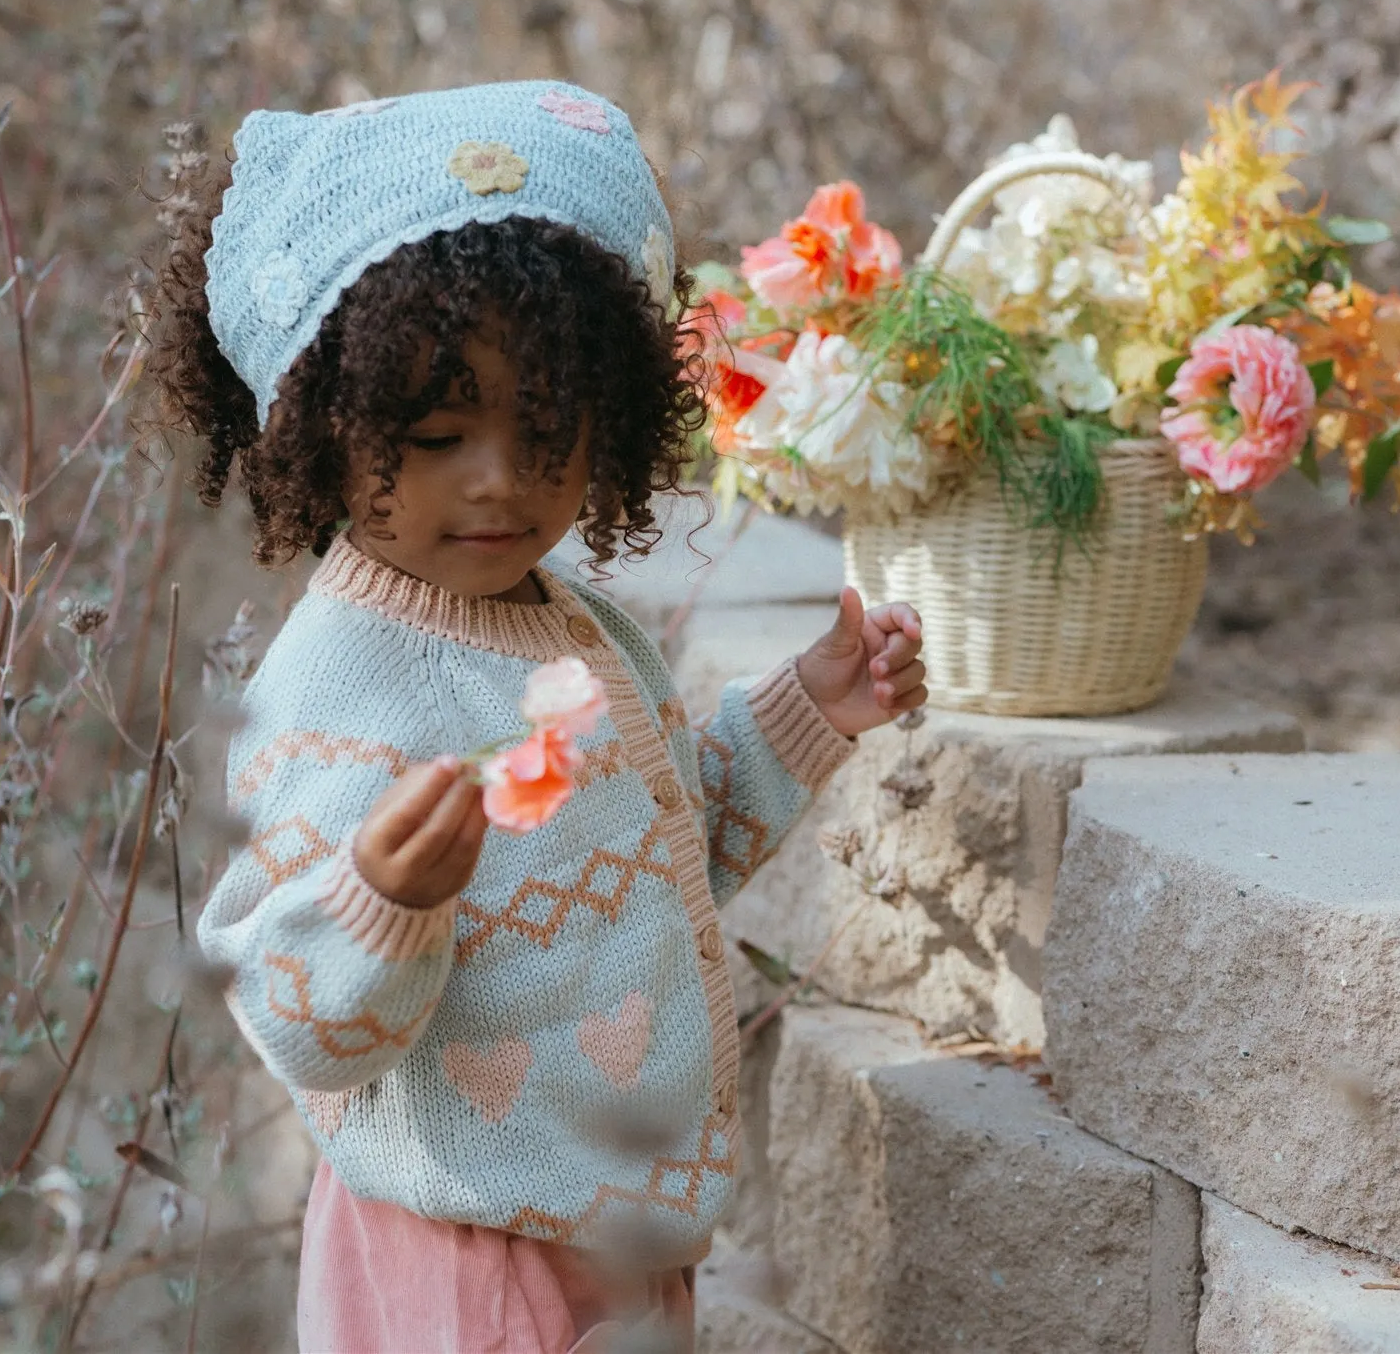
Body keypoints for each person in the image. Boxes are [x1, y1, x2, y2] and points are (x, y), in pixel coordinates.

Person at [144, 79, 926, 1353]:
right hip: (461, 1254)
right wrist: (381, 903)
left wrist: (810, 708)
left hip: (601, 1237)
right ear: (317, 431)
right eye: (439, 434)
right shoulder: (340, 688)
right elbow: (294, 1020)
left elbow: (660, 863)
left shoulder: (567, 626)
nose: (499, 479)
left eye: (547, 425)